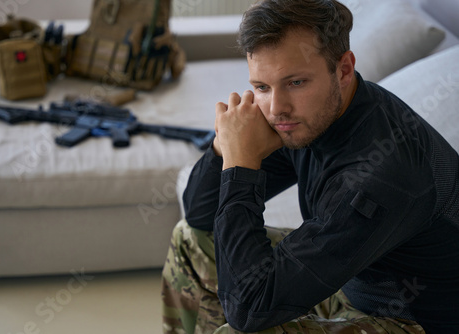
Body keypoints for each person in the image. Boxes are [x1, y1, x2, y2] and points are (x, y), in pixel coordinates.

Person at [161, 0, 459, 333]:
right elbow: (199, 214)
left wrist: (242, 166)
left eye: (296, 83)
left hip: (413, 322)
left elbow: (248, 310)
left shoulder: (380, 176)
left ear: (343, 70)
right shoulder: (310, 117)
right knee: (192, 240)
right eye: (262, 87)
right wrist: (225, 148)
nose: (276, 108)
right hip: (349, 285)